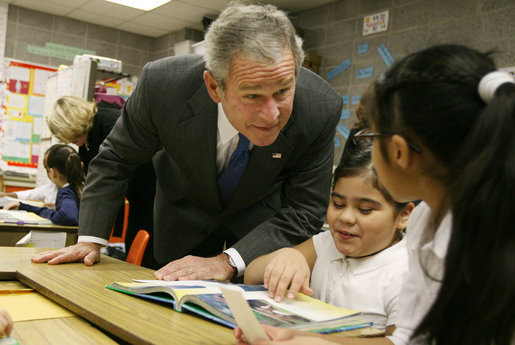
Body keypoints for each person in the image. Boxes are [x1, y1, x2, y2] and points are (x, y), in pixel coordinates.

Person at [31, 2, 343, 282]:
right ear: (214, 87)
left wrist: (227, 261)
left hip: (259, 239)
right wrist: (90, 239)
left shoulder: (319, 107)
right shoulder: (164, 87)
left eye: (282, 91)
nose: (272, 113)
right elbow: (116, 160)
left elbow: (304, 209)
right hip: (180, 225)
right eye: (252, 95)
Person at [235, 44, 514, 345]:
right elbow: (406, 339)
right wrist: (300, 338)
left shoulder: (482, 241)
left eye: (371, 136)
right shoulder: (427, 220)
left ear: (399, 152)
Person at [245, 140, 413, 334]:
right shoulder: (327, 243)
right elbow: (252, 275)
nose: (346, 217)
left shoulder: (408, 274)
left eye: (365, 210)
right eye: (338, 204)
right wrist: (289, 255)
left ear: (403, 216)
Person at [45, 95, 158, 268]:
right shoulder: (88, 137)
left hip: (151, 198)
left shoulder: (112, 125)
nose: (70, 141)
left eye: (71, 135)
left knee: (148, 253)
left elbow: (110, 178)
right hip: (137, 199)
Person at [4, 144, 83, 226]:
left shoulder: (66, 192)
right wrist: (24, 207)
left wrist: (53, 214)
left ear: (53, 172)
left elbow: (68, 216)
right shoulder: (79, 187)